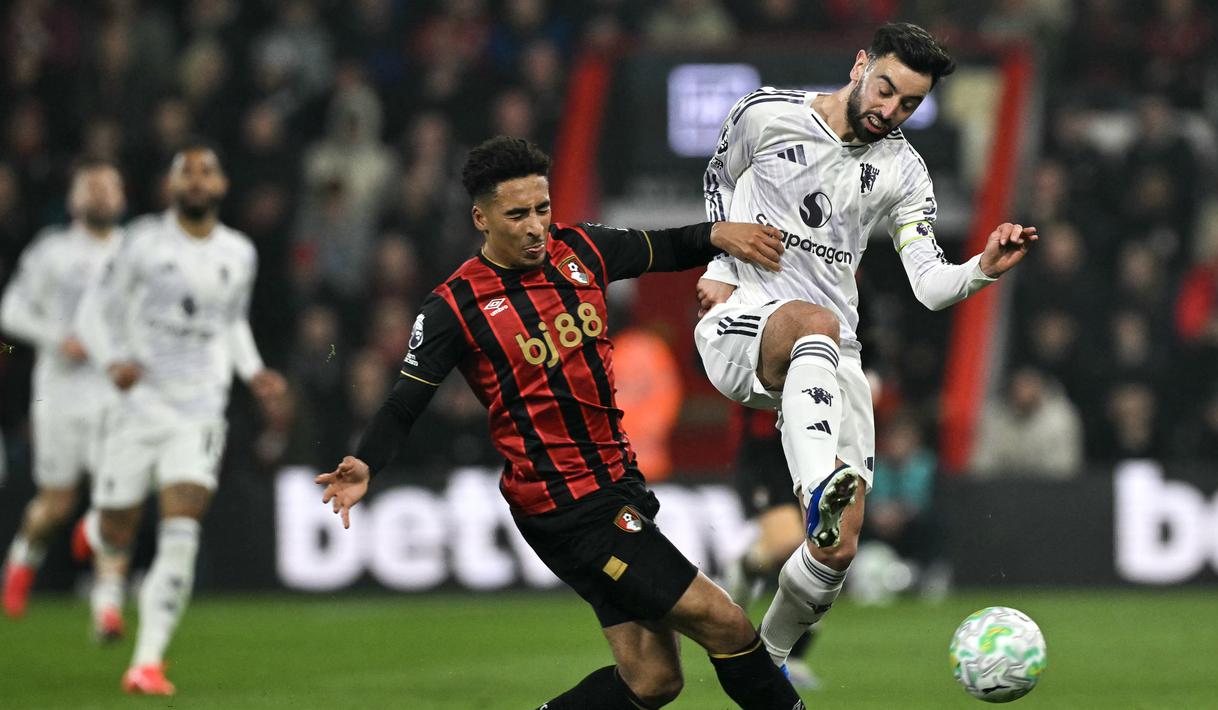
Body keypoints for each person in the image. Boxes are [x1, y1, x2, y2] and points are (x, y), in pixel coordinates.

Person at [317, 136, 805, 710]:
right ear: (482, 217)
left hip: (617, 484)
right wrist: (366, 462)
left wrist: (718, 234)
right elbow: (405, 402)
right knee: (723, 619)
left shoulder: (583, 252)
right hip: (566, 505)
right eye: (517, 214)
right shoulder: (453, 306)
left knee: (653, 681)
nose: (534, 227)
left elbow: (664, 246)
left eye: (542, 209)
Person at [694, 22, 1037, 669]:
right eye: (884, 89)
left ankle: (761, 664)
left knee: (835, 553)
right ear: (859, 65)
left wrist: (983, 267)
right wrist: (715, 263)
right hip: (744, 321)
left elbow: (930, 286)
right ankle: (820, 485)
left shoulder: (903, 170)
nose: (890, 110)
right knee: (813, 324)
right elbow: (718, 178)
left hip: (832, 355)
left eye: (907, 104)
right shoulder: (764, 115)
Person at [74, 142, 286, 695]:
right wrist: (111, 360)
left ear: (220, 187)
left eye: (207, 171)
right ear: (172, 187)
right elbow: (94, 312)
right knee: (118, 526)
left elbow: (232, 321)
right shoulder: (141, 243)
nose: (197, 179)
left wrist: (254, 370)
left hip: (200, 407)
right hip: (140, 403)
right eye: (186, 172)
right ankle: (97, 529)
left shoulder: (239, 252)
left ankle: (146, 662)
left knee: (182, 526)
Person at [0, 160, 132, 640]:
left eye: (108, 187)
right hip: (59, 393)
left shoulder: (135, 252)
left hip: (115, 395)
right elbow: (10, 310)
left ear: (122, 197)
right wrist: (59, 338)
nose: (99, 196)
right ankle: (21, 558)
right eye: (90, 187)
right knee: (57, 504)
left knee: (118, 500)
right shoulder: (50, 251)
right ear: (74, 199)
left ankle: (107, 608)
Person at [723, 409, 819, 689]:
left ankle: (750, 562)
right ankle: (787, 656)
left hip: (809, 448)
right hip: (764, 453)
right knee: (795, 549)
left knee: (819, 553)